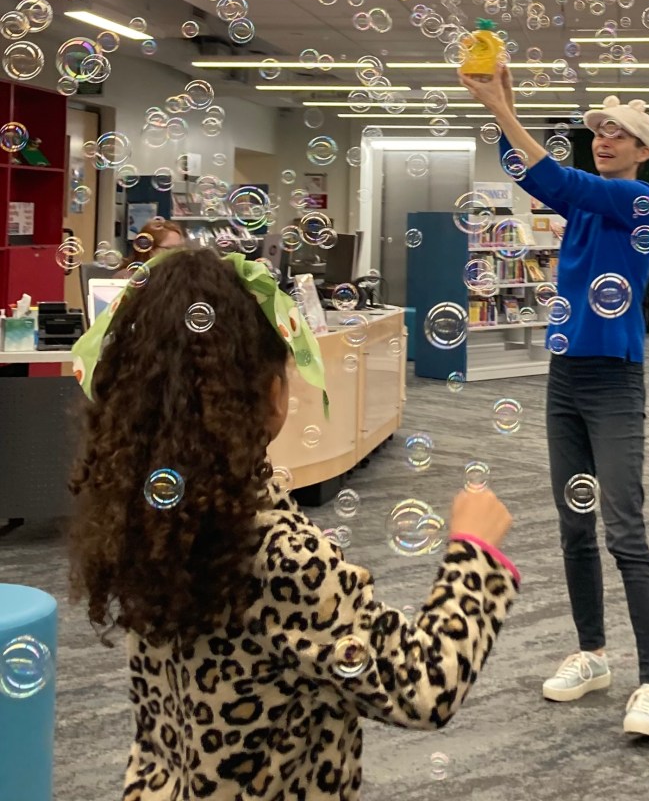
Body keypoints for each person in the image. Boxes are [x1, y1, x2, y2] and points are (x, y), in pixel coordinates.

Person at [67, 247, 520, 801]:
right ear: (270, 394)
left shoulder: (149, 512)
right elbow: (422, 688)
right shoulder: (278, 554)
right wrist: (473, 555)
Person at [460, 65, 649, 738]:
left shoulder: (637, 201)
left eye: (620, 133)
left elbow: (556, 178)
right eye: (599, 130)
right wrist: (509, 105)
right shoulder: (585, 205)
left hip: (614, 381)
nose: (604, 138)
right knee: (574, 525)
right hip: (565, 379)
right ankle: (591, 654)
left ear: (643, 150)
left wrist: (500, 107)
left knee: (624, 530)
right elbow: (534, 176)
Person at [119, 218, 185, 276]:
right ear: (150, 250)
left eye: (180, 249)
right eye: (170, 249)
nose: (178, 254)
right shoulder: (127, 277)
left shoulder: (183, 277)